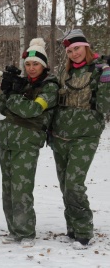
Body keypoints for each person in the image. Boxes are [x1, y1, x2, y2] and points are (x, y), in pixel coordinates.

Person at [51, 29, 110, 250]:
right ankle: (73, 227)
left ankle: (84, 230)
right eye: (69, 50)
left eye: (76, 48)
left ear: (85, 46)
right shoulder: (64, 72)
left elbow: (105, 107)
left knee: (74, 184)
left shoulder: (99, 69)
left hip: (85, 135)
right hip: (60, 135)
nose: (73, 53)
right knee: (65, 185)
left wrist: (106, 80)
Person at [0, 38, 58, 247]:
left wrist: (13, 97)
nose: (31, 68)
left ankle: (26, 232)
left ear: (44, 65)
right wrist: (5, 91)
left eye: (36, 64)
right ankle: (14, 230)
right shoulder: (22, 84)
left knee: (21, 187)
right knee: (8, 188)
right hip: (7, 139)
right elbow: (3, 109)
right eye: (28, 64)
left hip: (27, 140)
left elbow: (32, 110)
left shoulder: (50, 86)